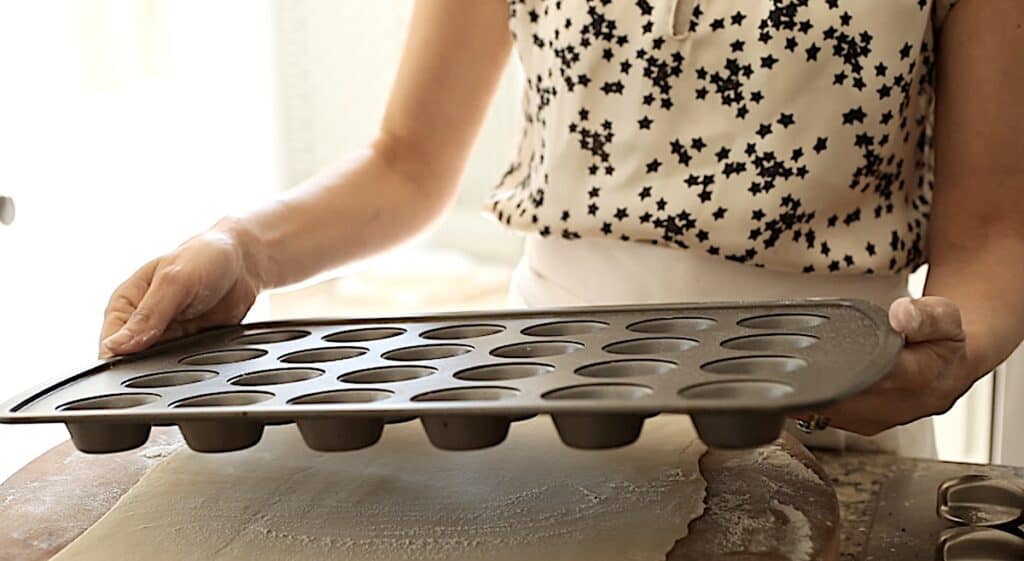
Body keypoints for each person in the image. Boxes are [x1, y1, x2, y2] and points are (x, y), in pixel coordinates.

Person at [99, 0, 1024, 458]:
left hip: (830, 407)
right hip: (541, 409)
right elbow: (408, 160)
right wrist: (243, 245)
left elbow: (995, 232)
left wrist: (959, 347)